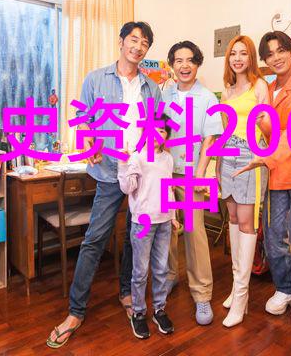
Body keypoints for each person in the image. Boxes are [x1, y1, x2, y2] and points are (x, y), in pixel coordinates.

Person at [47, 21, 162, 348]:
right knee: (95, 239)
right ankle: (75, 311)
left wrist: (159, 139)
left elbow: (158, 127)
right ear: (121, 41)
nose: (138, 47)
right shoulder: (96, 79)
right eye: (134, 40)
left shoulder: (152, 88)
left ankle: (126, 293)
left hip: (142, 175)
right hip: (109, 174)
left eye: (144, 43)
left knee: (134, 238)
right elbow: (83, 121)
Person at [234, 31, 291, 325]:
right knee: (274, 236)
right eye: (269, 54)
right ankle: (285, 288)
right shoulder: (269, 89)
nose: (276, 58)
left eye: (281, 51)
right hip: (277, 174)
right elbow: (270, 132)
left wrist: (265, 157)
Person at [162, 40, 224, 325]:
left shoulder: (207, 98)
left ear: (197, 64)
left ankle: (202, 293)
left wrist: (200, 175)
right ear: (172, 65)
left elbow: (210, 140)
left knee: (193, 230)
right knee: (166, 229)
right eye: (178, 60)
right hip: (165, 172)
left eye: (190, 60)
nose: (184, 65)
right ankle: (170, 276)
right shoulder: (165, 94)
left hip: (191, 175)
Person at [216, 35, 269, 327]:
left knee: (247, 224)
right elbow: (226, 130)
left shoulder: (259, 86)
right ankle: (237, 287)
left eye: (243, 53)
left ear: (251, 58)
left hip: (251, 155)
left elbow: (269, 127)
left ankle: (241, 297)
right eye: (233, 54)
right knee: (233, 219)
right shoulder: (227, 89)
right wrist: (218, 163)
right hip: (229, 155)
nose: (237, 58)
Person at [118, 115, 179, 339]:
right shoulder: (137, 157)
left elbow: (169, 189)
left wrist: (173, 215)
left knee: (161, 269)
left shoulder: (168, 159)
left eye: (162, 131)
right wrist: (123, 164)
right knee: (140, 271)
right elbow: (127, 188)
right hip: (142, 222)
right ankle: (138, 312)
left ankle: (159, 309)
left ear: (166, 136)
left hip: (164, 221)